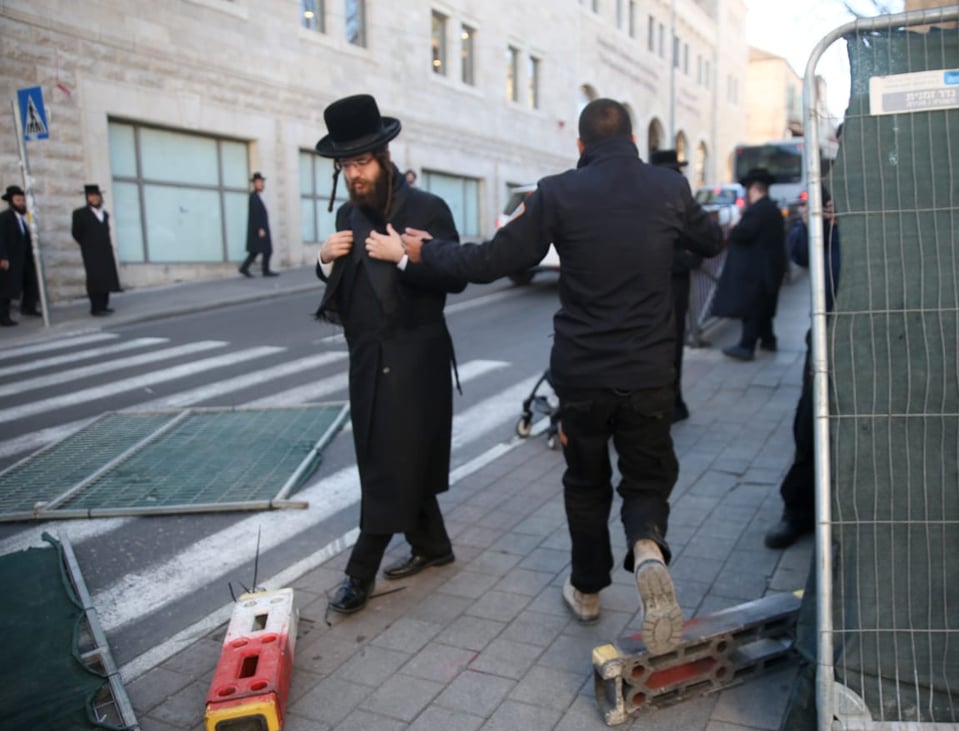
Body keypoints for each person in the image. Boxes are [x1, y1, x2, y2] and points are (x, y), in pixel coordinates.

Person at [399, 98, 723, 655]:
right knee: (647, 477)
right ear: (634, 144)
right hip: (649, 373)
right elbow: (711, 240)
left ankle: (588, 589)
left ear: (579, 147)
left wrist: (427, 252)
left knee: (585, 481)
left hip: (583, 376)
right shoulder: (668, 189)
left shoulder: (556, 193)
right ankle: (647, 547)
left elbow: (490, 262)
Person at [312, 94, 467, 614]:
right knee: (397, 459)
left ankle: (361, 572)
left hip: (415, 361)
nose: (354, 174)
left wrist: (405, 257)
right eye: (345, 165)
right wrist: (322, 259)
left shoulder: (428, 208)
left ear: (384, 158)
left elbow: (457, 276)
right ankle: (433, 546)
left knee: (384, 466)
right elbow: (343, 291)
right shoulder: (345, 213)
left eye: (362, 162)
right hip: (366, 361)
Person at [765, 185, 841, 548]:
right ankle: (798, 510)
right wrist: (820, 224)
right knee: (809, 423)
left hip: (879, 330)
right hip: (827, 330)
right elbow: (799, 251)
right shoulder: (827, 191)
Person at [649, 150, 704, 423]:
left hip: (650, 285)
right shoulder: (678, 194)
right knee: (671, 345)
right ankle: (670, 402)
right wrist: (686, 259)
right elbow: (705, 238)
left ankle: (665, 402)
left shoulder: (645, 194)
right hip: (672, 283)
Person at [710, 167, 787, 361]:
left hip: (757, 271)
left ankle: (747, 345)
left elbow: (742, 234)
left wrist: (735, 227)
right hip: (770, 268)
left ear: (754, 189)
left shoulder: (757, 212)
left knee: (752, 308)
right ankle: (768, 340)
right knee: (764, 308)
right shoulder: (772, 209)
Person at [71, 184, 122, 316]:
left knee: (106, 277)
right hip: (91, 252)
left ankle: (104, 305)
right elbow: (76, 233)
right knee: (95, 279)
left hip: (105, 250)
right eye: (91, 196)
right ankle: (96, 307)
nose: (94, 198)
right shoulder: (80, 214)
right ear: (87, 198)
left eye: (96, 196)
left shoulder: (104, 214)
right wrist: (87, 245)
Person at [0, 185, 36, 326]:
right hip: (10, 259)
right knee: (6, 289)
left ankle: (29, 307)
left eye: (22, 200)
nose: (21, 203)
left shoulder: (21, 218)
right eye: (18, 200)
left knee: (31, 282)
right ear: (11, 202)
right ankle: (3, 317)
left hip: (23, 259)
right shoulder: (4, 217)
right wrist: (2, 257)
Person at [239, 172, 276, 277]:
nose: (261, 185)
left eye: (262, 182)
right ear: (254, 184)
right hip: (259, 230)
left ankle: (244, 268)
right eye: (259, 182)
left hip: (260, 229)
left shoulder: (256, 197)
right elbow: (255, 214)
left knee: (255, 251)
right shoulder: (254, 197)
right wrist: (260, 228)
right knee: (266, 250)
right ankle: (265, 271)